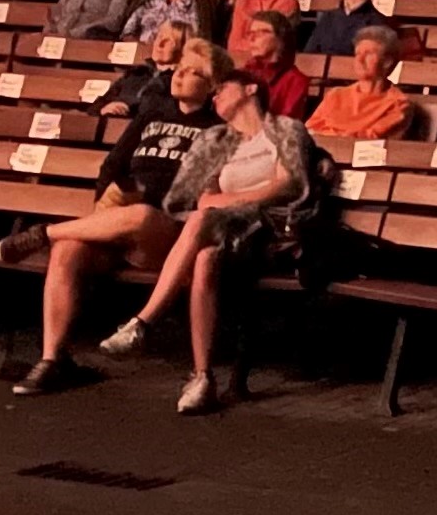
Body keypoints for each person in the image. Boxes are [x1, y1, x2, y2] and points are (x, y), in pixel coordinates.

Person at [93, 56, 321, 414]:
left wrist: (229, 201)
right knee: (204, 256)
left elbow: (289, 183)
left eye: (222, 90)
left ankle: (143, 322)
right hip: (224, 232)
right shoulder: (217, 140)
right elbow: (204, 196)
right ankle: (202, 378)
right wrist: (229, 201)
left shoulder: (286, 130)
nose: (214, 98)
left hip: (270, 233)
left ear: (250, 89)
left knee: (202, 222)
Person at [0, 42, 229, 392]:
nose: (180, 74)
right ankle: (52, 359)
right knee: (69, 248)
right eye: (180, 67)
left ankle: (43, 234)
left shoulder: (217, 128)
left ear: (213, 87)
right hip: (119, 222)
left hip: (169, 236)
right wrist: (104, 208)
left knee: (137, 216)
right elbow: (114, 165)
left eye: (193, 71)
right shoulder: (154, 112)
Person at [305, 25, 414, 143]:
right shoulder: (335, 95)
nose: (360, 60)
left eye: (368, 54)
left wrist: (330, 134)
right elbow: (309, 130)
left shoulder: (398, 103)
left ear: (387, 62)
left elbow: (370, 139)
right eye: (357, 54)